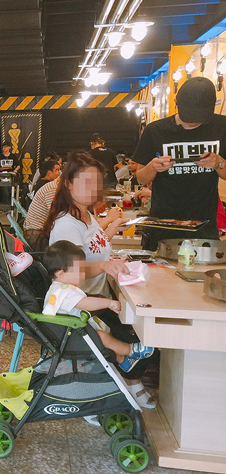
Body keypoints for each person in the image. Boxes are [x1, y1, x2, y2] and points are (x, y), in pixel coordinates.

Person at [132, 77, 226, 249]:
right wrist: (153, 167)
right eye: (188, 115)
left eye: (199, 117)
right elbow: (140, 177)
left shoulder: (222, 127)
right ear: (176, 102)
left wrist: (219, 163)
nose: (192, 122)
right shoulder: (155, 131)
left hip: (204, 226)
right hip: (163, 225)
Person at [43, 241, 155, 373]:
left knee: (103, 332)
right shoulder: (64, 292)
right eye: (79, 271)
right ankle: (131, 351)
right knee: (101, 336)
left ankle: (122, 360)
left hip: (66, 334)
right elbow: (85, 303)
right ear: (60, 273)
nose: (84, 275)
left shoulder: (56, 289)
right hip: (69, 338)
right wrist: (109, 303)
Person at [42, 151, 128, 297]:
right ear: (68, 184)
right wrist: (104, 265)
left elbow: (94, 245)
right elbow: (70, 270)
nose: (92, 188)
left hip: (97, 297)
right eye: (86, 182)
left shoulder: (85, 213)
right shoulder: (67, 224)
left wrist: (114, 227)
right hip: (82, 304)